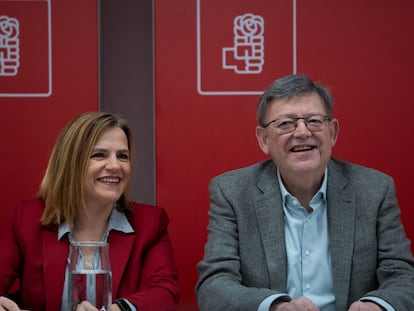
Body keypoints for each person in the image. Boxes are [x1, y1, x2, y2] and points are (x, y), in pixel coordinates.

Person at [196, 74, 414, 311]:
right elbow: (214, 287)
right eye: (285, 124)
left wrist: (378, 305)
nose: (302, 132)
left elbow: (403, 276)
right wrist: (274, 307)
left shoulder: (374, 189)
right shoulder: (232, 192)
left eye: (313, 121)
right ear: (264, 140)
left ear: (332, 132)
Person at [0, 111, 179, 311]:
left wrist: (117, 310)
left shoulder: (150, 223)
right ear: (70, 163)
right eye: (99, 155)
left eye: (122, 156)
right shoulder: (29, 218)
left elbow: (165, 292)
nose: (115, 165)